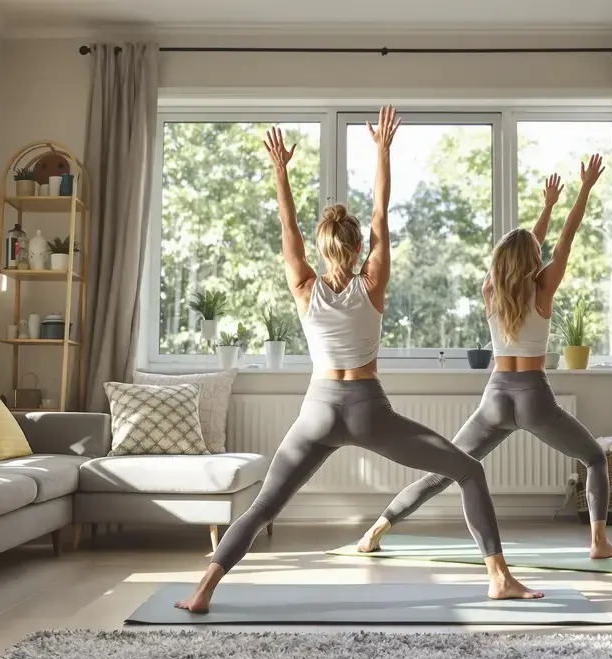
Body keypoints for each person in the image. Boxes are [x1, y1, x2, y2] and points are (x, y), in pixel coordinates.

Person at [176, 106, 538, 613]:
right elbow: (380, 215)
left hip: (317, 412)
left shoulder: (304, 287)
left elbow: (287, 226)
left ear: (323, 249)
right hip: (369, 411)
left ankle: (202, 590)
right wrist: (383, 150)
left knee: (262, 507)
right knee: (469, 471)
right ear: (356, 247)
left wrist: (280, 171)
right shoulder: (372, 283)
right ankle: (499, 578)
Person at [356, 156, 612, 570]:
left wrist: (546, 210)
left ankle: (378, 528)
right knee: (594, 459)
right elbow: (565, 240)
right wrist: (582, 190)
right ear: (534, 262)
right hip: (535, 397)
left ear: (500, 263)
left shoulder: (490, 291)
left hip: (496, 397)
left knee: (445, 469)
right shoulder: (544, 289)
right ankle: (599, 542)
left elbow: (523, 253)